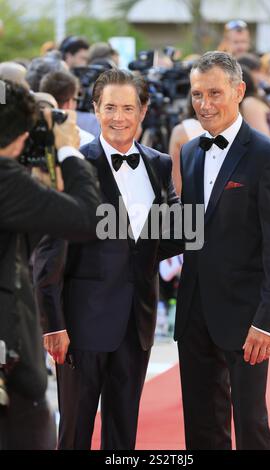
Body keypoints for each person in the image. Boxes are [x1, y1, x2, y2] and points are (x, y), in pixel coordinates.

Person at [33, 69, 182, 450]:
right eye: (110, 107)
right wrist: (53, 325)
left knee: (123, 434)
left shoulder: (159, 164)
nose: (119, 117)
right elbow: (49, 252)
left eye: (128, 107)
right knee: (75, 433)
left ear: (143, 111)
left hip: (138, 323)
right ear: (95, 110)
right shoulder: (73, 166)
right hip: (82, 326)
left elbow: (164, 239)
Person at [175, 52, 270, 450]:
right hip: (194, 313)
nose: (205, 104)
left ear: (239, 91)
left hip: (247, 319)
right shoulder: (190, 152)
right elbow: (190, 228)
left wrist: (269, 320)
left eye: (214, 93)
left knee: (250, 426)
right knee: (201, 424)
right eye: (197, 95)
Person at [0, 80, 100, 449]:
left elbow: (19, 244)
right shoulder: (5, 179)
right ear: (20, 135)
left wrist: (39, 190)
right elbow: (88, 218)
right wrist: (69, 152)